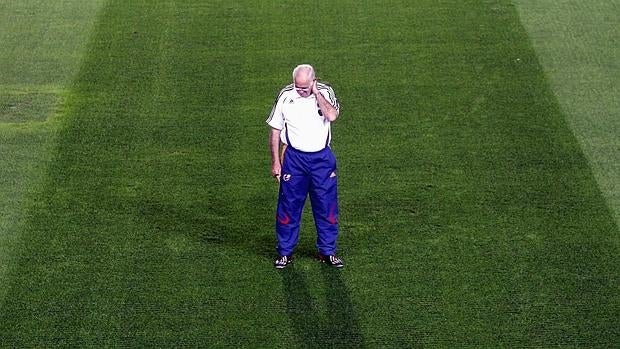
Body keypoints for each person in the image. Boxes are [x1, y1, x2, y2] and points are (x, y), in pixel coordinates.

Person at [266, 64, 344, 269]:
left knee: (326, 205)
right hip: (294, 159)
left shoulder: (325, 93)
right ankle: (285, 252)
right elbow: (275, 130)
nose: (301, 91)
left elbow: (332, 115)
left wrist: (316, 93)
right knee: (288, 206)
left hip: (322, 161)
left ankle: (327, 251)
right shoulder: (285, 96)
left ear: (313, 81)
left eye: (305, 87)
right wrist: (275, 162)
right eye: (297, 87)